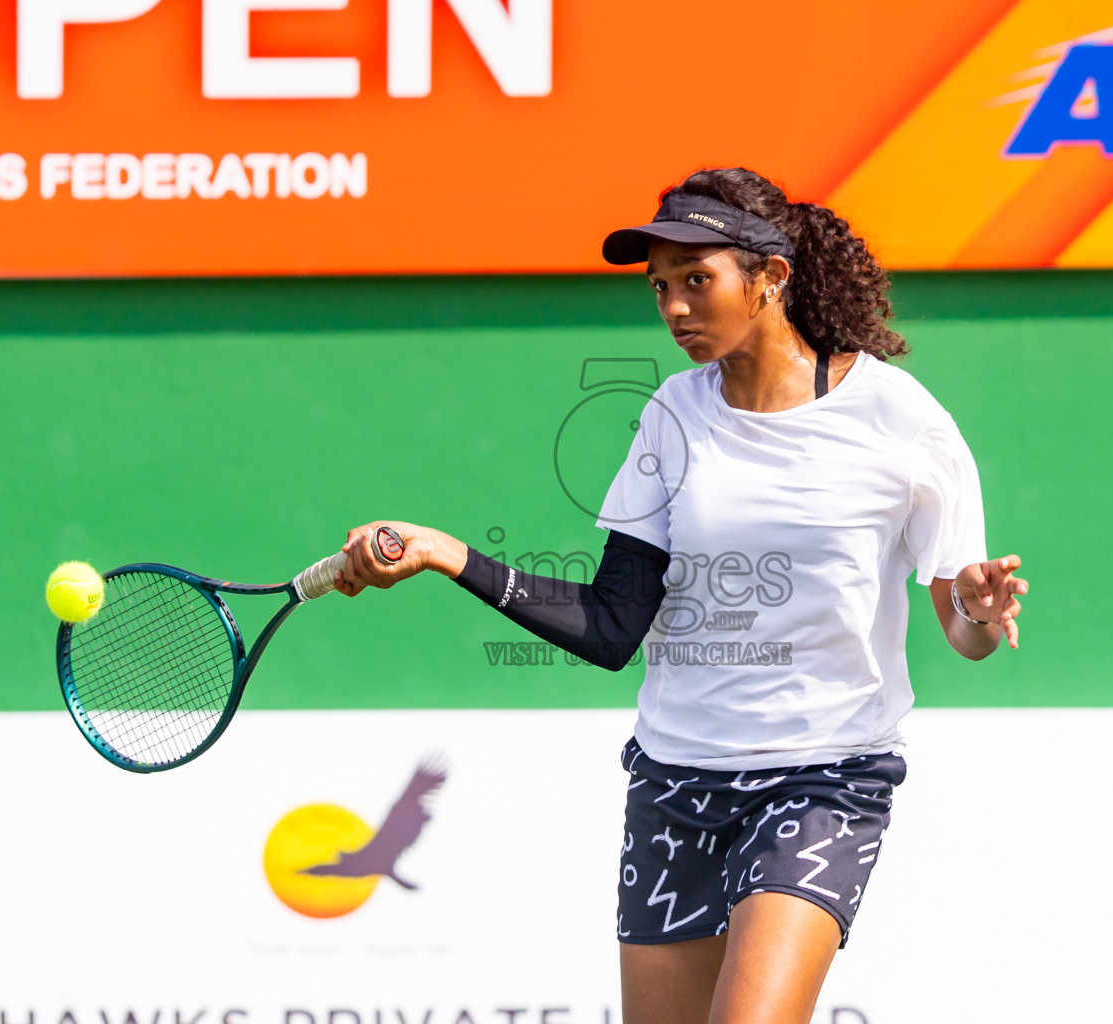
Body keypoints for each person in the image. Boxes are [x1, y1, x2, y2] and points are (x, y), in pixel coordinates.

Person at [332, 167, 1028, 1024]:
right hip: (675, 785)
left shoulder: (901, 421)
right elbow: (610, 625)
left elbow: (960, 628)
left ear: (770, 278)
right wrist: (447, 554)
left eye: (697, 280)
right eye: (661, 287)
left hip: (823, 780)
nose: (674, 308)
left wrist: (979, 610)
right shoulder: (673, 413)